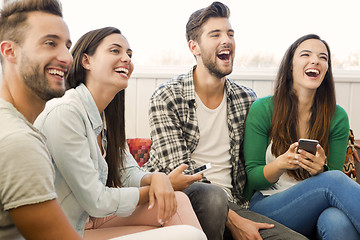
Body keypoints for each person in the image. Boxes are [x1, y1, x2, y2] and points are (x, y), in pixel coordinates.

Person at [142, 2, 307, 240]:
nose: (227, 40)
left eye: (230, 33)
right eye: (215, 34)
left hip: (238, 203)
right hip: (188, 201)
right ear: (194, 47)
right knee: (212, 197)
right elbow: (181, 174)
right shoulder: (167, 97)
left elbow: (261, 159)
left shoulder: (246, 98)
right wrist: (235, 221)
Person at [34, 27, 206, 240]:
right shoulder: (65, 113)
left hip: (85, 222)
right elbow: (96, 200)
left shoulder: (103, 116)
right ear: (86, 61)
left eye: (129, 54)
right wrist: (160, 187)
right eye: (115, 51)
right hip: (56, 232)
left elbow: (126, 173)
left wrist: (158, 177)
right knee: (188, 235)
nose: (126, 58)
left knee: (178, 203)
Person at [244, 34, 360, 240]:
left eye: (323, 57)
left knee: (337, 222)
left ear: (326, 69)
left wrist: (320, 169)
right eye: (306, 54)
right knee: (331, 181)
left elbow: (332, 176)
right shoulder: (263, 109)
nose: (315, 60)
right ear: (290, 65)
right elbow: (253, 178)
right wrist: (281, 163)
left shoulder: (337, 117)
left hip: (316, 206)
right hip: (269, 204)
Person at [0, 0, 83, 239]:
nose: (67, 57)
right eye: (50, 43)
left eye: (67, 46)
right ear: (9, 51)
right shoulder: (19, 141)